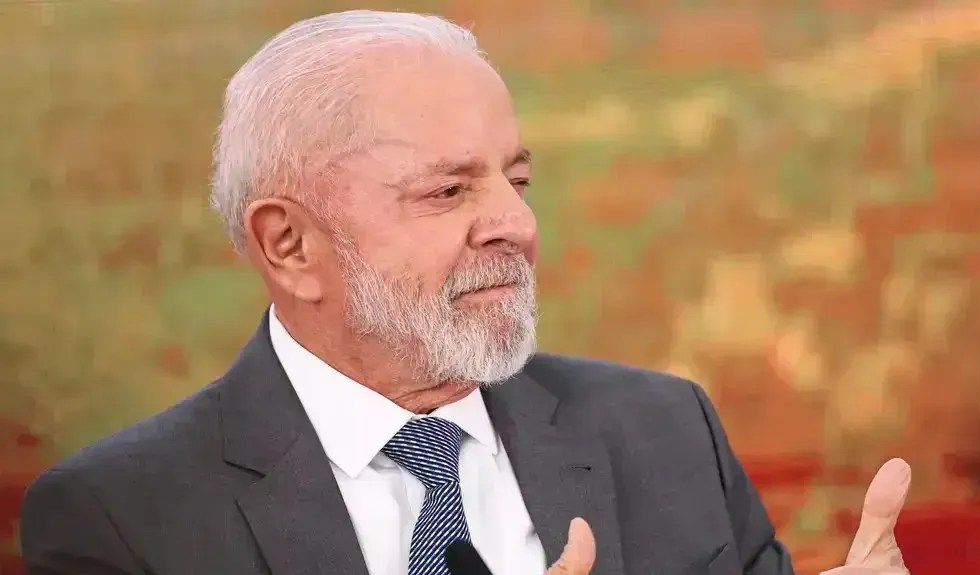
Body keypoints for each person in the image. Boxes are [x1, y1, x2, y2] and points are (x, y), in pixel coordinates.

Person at [19, 10, 914, 575]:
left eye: (517, 180)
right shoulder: (120, 520)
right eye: (447, 191)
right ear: (289, 244)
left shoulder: (667, 432)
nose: (515, 225)